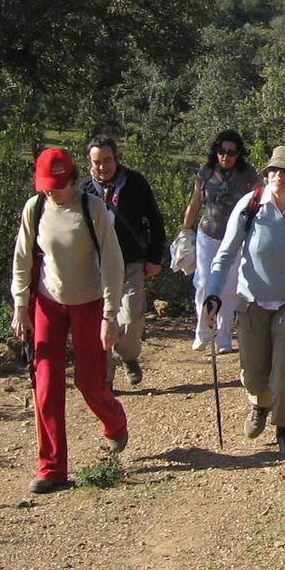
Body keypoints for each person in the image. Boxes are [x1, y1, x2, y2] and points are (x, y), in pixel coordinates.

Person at [10, 147, 128, 494]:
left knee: (90, 382)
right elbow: (22, 259)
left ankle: (115, 423)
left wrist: (110, 314)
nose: (50, 190)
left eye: (57, 185)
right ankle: (52, 468)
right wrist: (20, 306)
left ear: (72, 179)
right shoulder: (35, 209)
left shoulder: (94, 210)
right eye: (45, 184)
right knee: (45, 385)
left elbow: (113, 263)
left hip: (89, 304)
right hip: (47, 303)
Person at [202, 146, 285, 460]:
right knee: (253, 373)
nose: (278, 175)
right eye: (273, 170)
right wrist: (214, 295)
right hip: (252, 299)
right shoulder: (250, 205)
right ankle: (260, 403)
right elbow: (225, 256)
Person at [83, 136, 167, 389]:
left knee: (131, 318)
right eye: (97, 162)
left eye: (107, 160)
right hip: (96, 268)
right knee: (102, 321)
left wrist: (155, 257)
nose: (103, 167)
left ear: (116, 158)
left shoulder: (135, 183)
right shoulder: (84, 190)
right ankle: (105, 379)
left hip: (131, 262)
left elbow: (155, 220)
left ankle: (128, 356)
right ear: (90, 162)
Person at [181, 130, 260, 353]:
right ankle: (203, 331)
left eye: (231, 152)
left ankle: (224, 337)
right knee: (204, 283)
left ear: (238, 153)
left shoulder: (247, 173)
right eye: (221, 151)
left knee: (230, 287)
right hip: (208, 234)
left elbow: (258, 199)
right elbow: (195, 201)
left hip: (235, 237)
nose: (225, 156)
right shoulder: (206, 172)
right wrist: (185, 231)